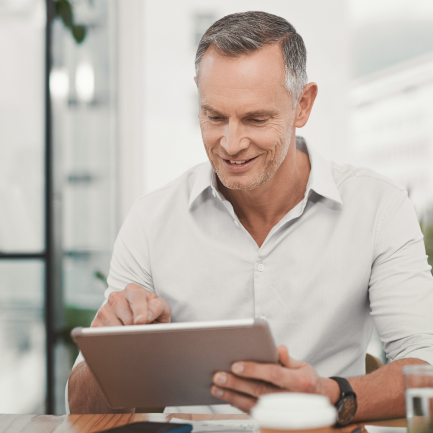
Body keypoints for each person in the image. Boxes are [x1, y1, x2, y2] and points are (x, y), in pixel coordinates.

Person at [68, 11, 433, 421]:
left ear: (303, 105)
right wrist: (111, 353)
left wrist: (331, 396)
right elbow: (81, 409)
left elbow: (427, 370)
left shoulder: (378, 207)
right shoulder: (152, 220)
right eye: (214, 116)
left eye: (256, 119)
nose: (231, 142)